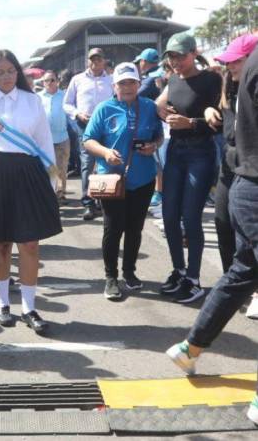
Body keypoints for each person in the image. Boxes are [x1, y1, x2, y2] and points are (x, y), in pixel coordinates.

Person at [165, 31, 258, 427]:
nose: (230, 68)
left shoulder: (235, 84)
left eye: (234, 61)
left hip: (243, 184)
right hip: (247, 185)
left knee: (242, 271)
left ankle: (191, 346)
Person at [0, 50, 61, 334]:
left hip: (28, 175)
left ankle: (29, 307)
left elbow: (44, 144)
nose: (6, 77)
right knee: (1, 244)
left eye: (10, 71)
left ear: (18, 72)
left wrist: (53, 180)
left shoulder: (33, 102)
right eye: (0, 72)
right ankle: (2, 302)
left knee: (30, 244)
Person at [83, 63, 164, 301]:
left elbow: (159, 135)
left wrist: (154, 145)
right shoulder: (104, 108)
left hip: (143, 179)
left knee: (135, 228)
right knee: (113, 228)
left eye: (131, 82)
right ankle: (111, 277)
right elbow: (88, 140)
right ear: (114, 86)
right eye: (122, 83)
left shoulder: (149, 106)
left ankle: (129, 271)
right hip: (112, 180)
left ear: (139, 84)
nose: (127, 87)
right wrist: (106, 152)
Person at [156, 32, 222, 304]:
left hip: (201, 153)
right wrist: (162, 111)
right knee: (169, 215)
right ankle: (179, 271)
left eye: (181, 56)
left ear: (194, 53)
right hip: (176, 152)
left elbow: (220, 118)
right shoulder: (172, 80)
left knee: (191, 216)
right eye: (171, 56)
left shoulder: (211, 79)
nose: (176, 61)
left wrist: (192, 123)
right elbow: (159, 104)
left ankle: (194, 279)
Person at [204, 34, 258, 316]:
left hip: (250, 173)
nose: (230, 67)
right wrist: (209, 108)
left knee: (247, 237)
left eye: (235, 61)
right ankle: (233, 286)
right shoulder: (227, 87)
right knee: (223, 222)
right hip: (230, 168)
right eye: (228, 62)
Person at [63, 47, 114, 220]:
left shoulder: (112, 81)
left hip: (107, 126)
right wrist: (77, 114)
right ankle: (88, 203)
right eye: (92, 59)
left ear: (104, 61)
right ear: (88, 61)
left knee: (105, 163)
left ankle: (103, 201)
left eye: (99, 59)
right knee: (87, 163)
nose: (95, 62)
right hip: (84, 125)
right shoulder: (77, 80)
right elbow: (67, 103)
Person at [39, 70, 70, 202]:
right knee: (49, 167)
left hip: (62, 137)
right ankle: (50, 192)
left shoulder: (65, 96)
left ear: (57, 81)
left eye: (52, 80)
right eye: (47, 80)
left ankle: (61, 193)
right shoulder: (38, 97)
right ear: (43, 82)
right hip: (45, 139)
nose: (50, 83)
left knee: (62, 167)